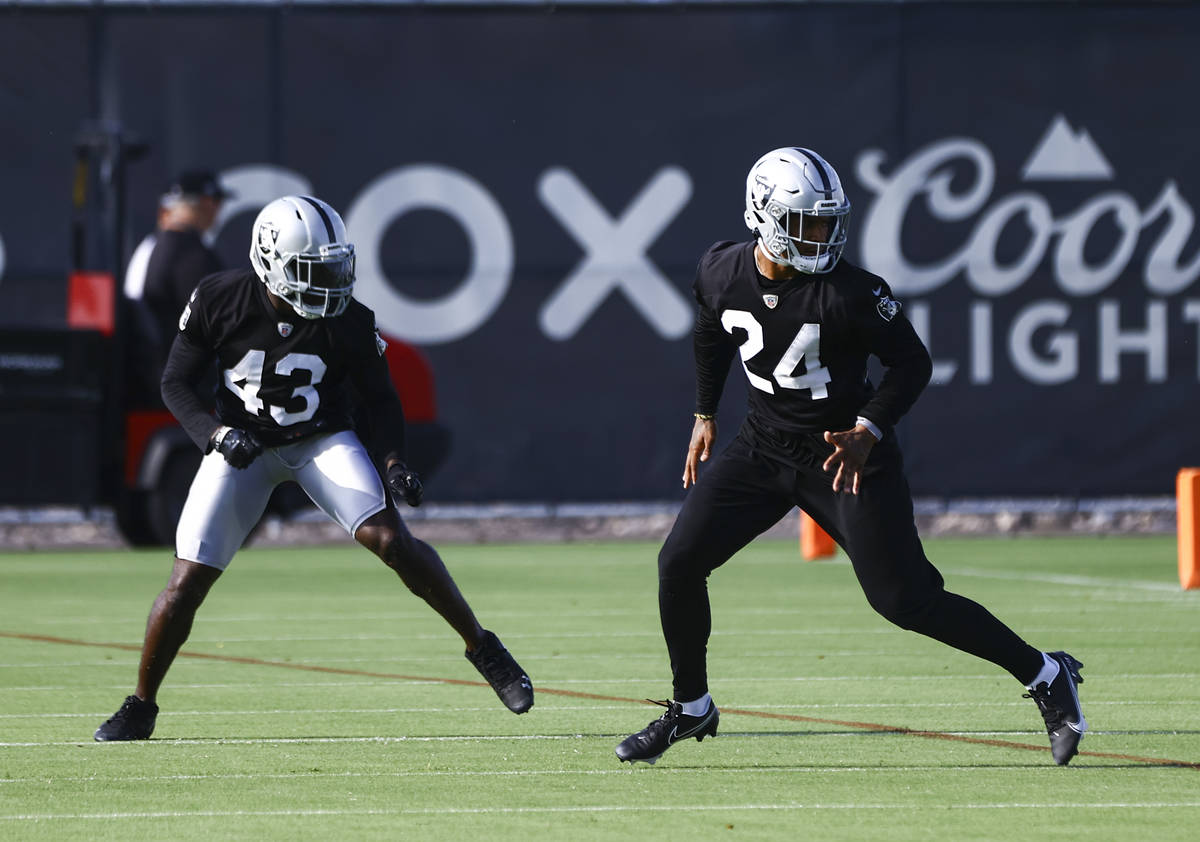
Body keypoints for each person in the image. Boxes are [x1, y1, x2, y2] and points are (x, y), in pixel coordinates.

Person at [614, 147, 1086, 766]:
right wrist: (705, 412)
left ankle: (1046, 674)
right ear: (764, 216)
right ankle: (692, 707)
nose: (821, 235)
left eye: (828, 221)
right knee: (678, 562)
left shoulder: (852, 292)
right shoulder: (721, 269)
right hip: (764, 444)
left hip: (845, 456)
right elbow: (711, 330)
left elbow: (912, 363)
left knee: (905, 600)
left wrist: (868, 428)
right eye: (805, 222)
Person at [95, 195, 533, 741]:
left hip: (320, 439)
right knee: (187, 579)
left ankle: (483, 647)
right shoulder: (219, 297)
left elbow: (383, 401)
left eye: (333, 266)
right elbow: (175, 382)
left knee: (391, 539)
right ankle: (141, 704)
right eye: (311, 270)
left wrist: (393, 461)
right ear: (269, 260)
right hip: (244, 446)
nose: (328, 282)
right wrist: (215, 434)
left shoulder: (349, 319)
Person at [123, 169, 230, 407]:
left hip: (158, 377)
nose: (218, 211)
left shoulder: (151, 246)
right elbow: (222, 323)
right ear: (204, 203)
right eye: (216, 203)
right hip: (186, 388)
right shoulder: (191, 254)